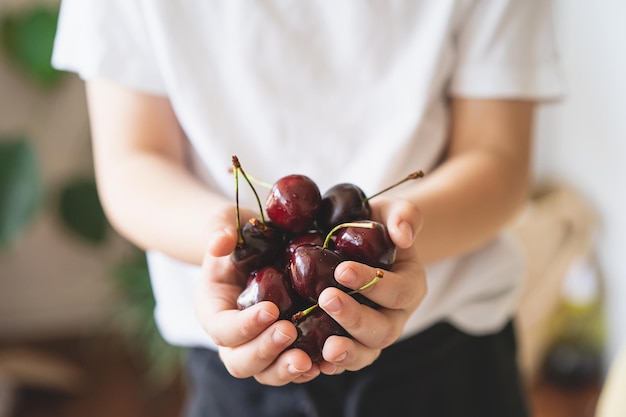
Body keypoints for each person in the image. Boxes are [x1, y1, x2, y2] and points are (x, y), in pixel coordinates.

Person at [52, 1, 562, 416]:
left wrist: (397, 237)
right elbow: (132, 165)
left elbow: (497, 159)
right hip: (240, 352)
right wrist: (223, 242)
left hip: (446, 359)